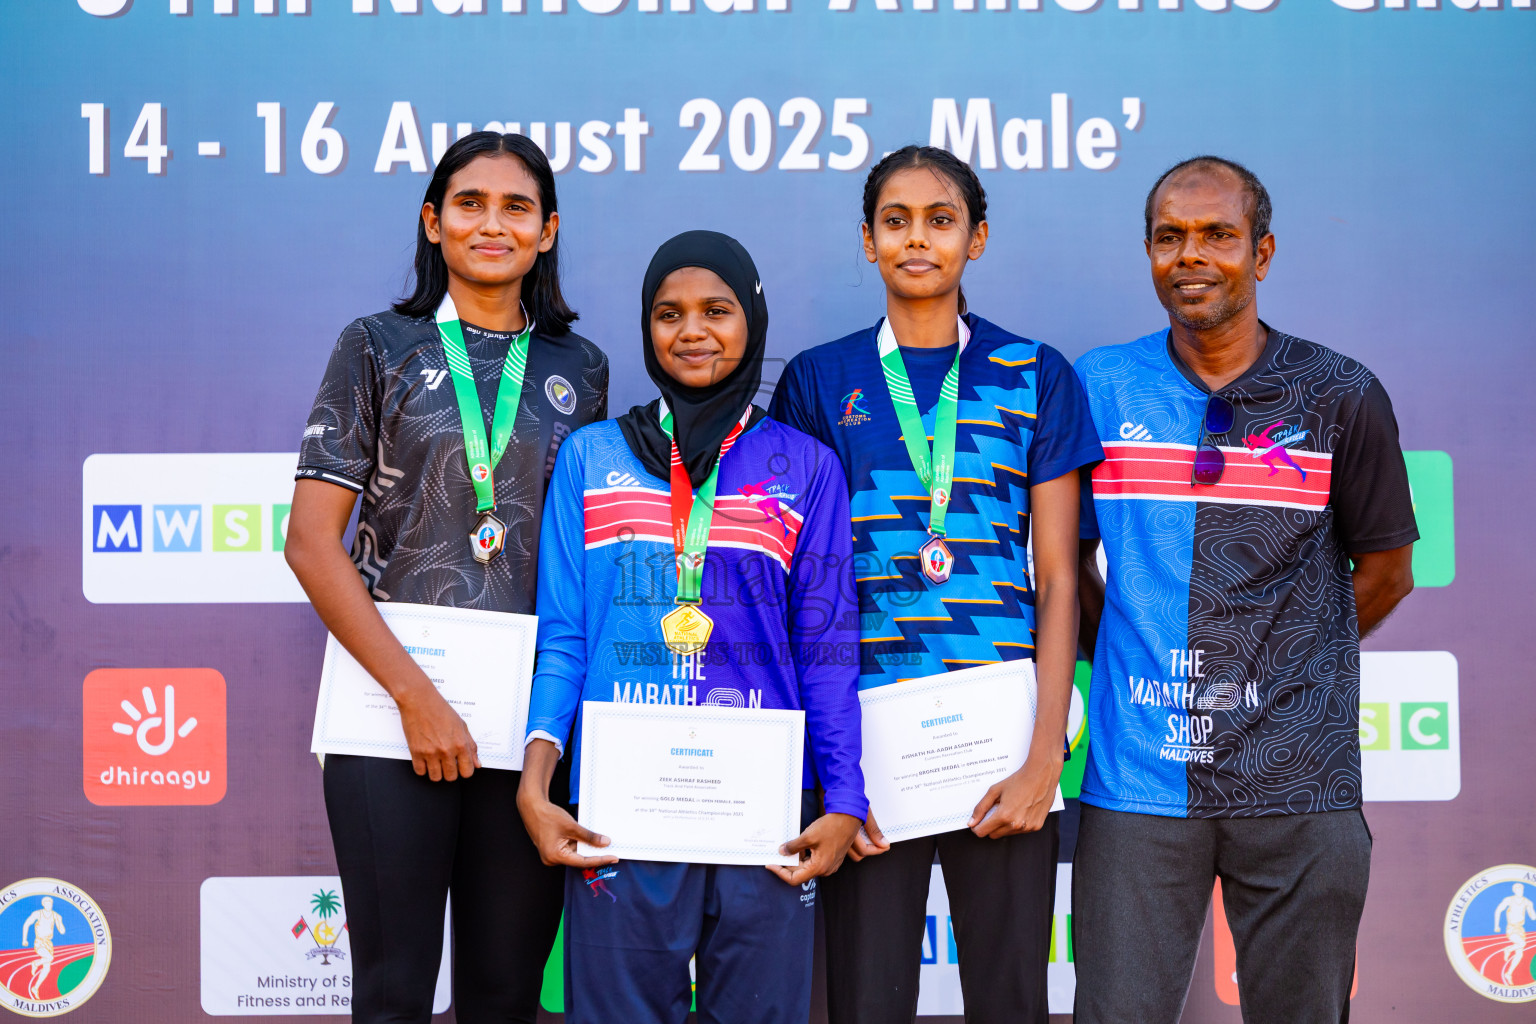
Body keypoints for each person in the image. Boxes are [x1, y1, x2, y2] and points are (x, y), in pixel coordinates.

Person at [1072, 155, 1418, 1024]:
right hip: (1139, 781)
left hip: (1300, 782)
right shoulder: (1098, 387)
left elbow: (1385, 573)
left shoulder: (1341, 394)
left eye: (1218, 236)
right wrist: (1127, 649)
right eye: (1170, 237)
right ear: (1147, 254)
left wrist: (1292, 663)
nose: (1193, 256)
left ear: (1262, 255)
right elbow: (1066, 566)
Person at [769, 146, 1103, 1024]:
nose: (918, 239)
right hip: (872, 754)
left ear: (977, 239)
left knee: (1010, 1001)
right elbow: (801, 585)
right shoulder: (817, 380)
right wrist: (838, 777)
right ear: (869, 242)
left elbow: (1062, 580)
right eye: (896, 221)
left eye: (941, 220)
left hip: (1003, 755)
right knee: (865, 1002)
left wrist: (1043, 760)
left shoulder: (1035, 374)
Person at [284, 131, 608, 1024]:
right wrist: (417, 700)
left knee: (505, 996)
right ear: (434, 222)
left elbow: (582, 557)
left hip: (525, 729)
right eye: (469, 203)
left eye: (516, 207)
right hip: (390, 718)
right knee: (392, 992)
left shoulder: (580, 370)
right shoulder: (377, 346)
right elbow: (312, 543)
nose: (491, 224)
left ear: (547, 231)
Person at [517, 230, 867, 1024]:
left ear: (754, 322)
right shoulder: (591, 457)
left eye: (717, 310)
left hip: (764, 818)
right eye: (669, 313)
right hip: (619, 814)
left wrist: (843, 798)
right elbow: (566, 639)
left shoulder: (805, 467)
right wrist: (537, 782)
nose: (692, 331)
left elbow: (825, 650)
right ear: (647, 327)